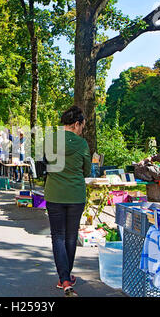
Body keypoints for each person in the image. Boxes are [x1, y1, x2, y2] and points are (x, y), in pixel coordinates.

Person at [44, 105, 91, 297]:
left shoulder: (50, 139)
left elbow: (45, 164)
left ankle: (64, 278)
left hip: (54, 194)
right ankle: (66, 277)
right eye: (82, 126)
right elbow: (87, 171)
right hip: (75, 195)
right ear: (77, 123)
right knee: (71, 236)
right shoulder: (82, 144)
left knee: (58, 236)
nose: (82, 129)